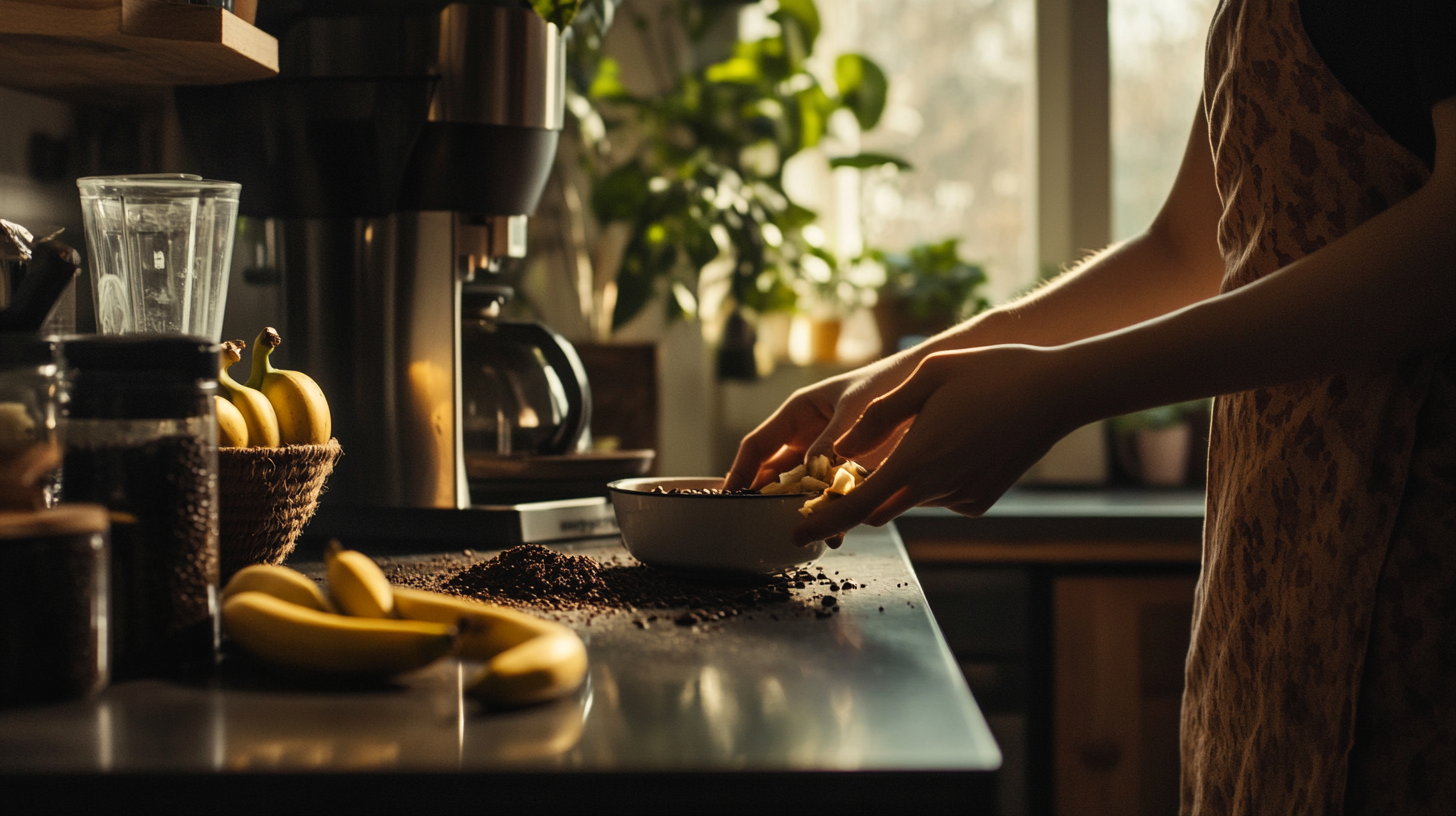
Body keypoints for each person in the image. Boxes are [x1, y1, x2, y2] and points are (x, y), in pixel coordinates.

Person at [724, 0, 1456, 812]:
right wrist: (914, 372)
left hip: (1413, 591)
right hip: (1273, 580)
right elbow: (1190, 246)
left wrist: (1057, 390)